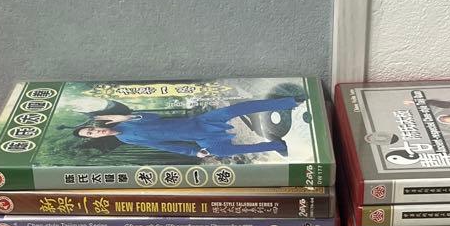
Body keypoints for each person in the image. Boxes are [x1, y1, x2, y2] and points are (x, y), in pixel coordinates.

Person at [72, 96, 304, 160]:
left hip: (201, 122)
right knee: (224, 152)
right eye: (91, 135)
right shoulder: (126, 140)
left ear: (95, 126)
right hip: (201, 139)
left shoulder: (127, 122)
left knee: (238, 108)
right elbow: (164, 146)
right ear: (95, 138)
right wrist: (194, 152)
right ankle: (277, 145)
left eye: (92, 129)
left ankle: (289, 102)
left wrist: (126, 116)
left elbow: (153, 117)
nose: (96, 132)